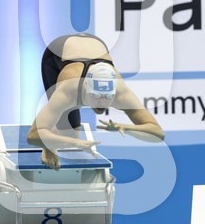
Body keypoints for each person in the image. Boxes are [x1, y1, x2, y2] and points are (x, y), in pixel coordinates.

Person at [27, 33, 165, 170]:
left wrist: (126, 127)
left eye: (107, 97)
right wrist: (75, 143)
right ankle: (48, 149)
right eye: (97, 96)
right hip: (58, 51)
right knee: (65, 136)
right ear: (86, 89)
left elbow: (158, 133)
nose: (102, 103)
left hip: (95, 44)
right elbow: (33, 136)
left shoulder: (121, 92)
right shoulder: (68, 91)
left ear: (113, 92)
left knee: (67, 137)